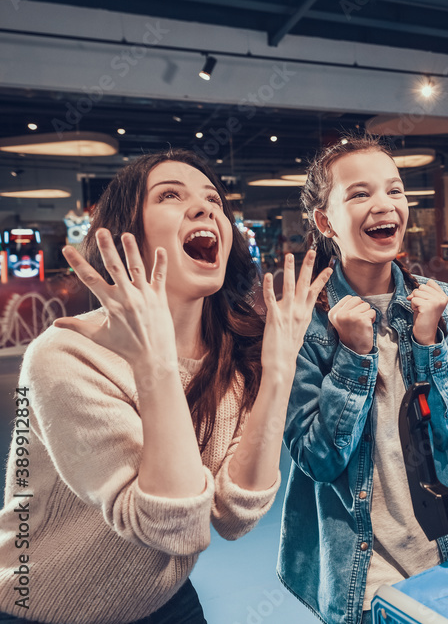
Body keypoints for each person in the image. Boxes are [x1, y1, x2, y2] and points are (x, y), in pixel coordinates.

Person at [0, 150, 331, 624]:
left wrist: (279, 367)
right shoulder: (67, 354)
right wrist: (155, 363)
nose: (205, 208)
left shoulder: (233, 355)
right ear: (126, 234)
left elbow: (234, 517)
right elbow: (170, 526)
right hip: (40, 607)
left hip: (161, 598)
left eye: (214, 198)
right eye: (171, 195)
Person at [278, 136, 448, 624]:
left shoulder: (439, 301)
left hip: (443, 549)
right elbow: (317, 459)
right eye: (359, 194)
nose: (385, 205)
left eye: (395, 190)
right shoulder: (304, 320)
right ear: (325, 222)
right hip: (361, 573)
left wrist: (428, 344)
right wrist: (354, 355)